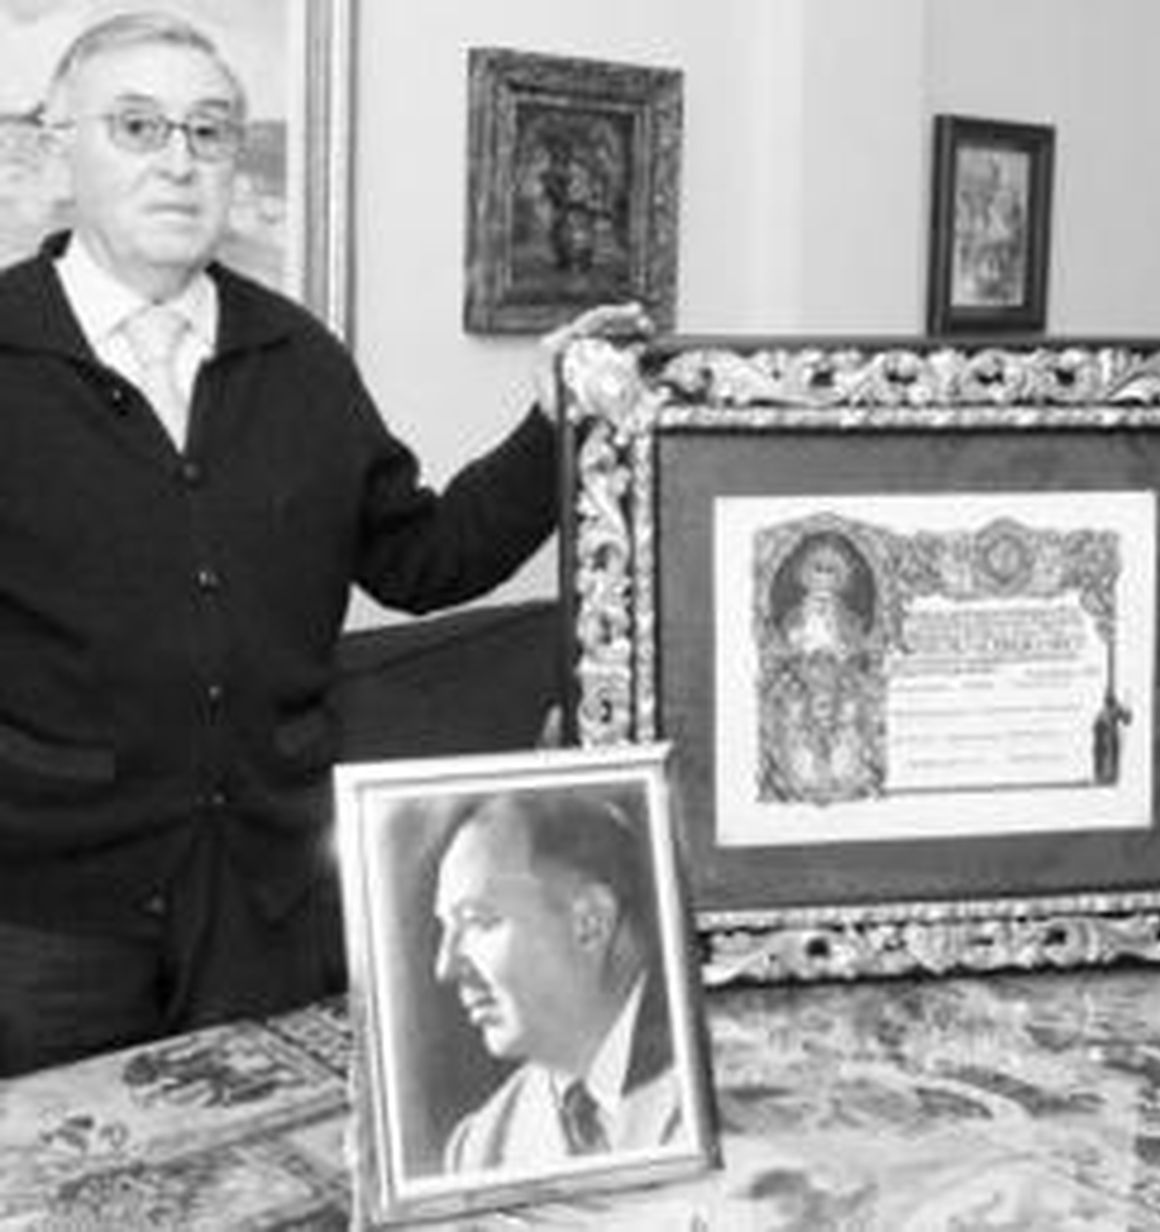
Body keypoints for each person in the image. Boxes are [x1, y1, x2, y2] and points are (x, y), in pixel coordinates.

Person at [0, 10, 647, 1077]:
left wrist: (550, 426)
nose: (179, 161)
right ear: (58, 143)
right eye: (138, 126)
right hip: (47, 915)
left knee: (276, 1153)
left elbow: (423, 558)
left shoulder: (297, 356)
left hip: (270, 895)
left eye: (210, 131)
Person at [431, 791, 681, 1172]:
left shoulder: (728, 1071)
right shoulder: (478, 1149)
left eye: (478, 921)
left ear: (590, 923)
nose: (445, 967)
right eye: (447, 929)